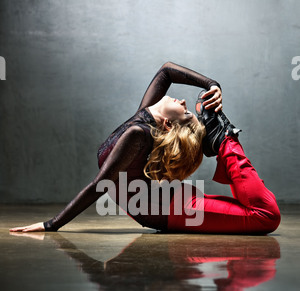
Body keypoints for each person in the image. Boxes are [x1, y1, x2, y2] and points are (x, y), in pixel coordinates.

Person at [10, 62, 281, 235]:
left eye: (185, 114)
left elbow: (99, 185)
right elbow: (166, 71)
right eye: (189, 112)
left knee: (263, 214)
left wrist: (52, 224)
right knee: (264, 214)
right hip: (174, 209)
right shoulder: (141, 125)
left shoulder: (141, 130)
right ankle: (222, 141)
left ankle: (223, 140)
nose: (186, 102)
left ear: (167, 125)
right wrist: (211, 84)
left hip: (175, 207)